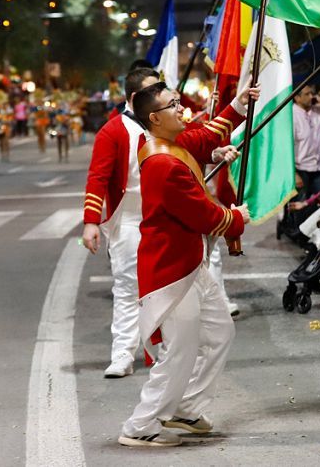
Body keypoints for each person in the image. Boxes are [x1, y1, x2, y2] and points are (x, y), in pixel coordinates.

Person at [117, 79, 256, 448]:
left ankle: (186, 407)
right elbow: (205, 215)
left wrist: (238, 105)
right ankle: (141, 425)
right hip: (171, 272)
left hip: (189, 264)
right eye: (172, 105)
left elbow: (204, 137)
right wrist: (236, 216)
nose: (181, 109)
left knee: (220, 333)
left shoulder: (169, 143)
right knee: (179, 351)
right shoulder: (163, 161)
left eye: (178, 101)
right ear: (154, 118)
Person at [81, 67, 159, 379]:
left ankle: (159, 353)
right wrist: (91, 222)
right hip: (129, 221)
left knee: (163, 290)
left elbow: (195, 143)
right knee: (127, 289)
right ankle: (123, 355)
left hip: (164, 220)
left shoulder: (164, 123)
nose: (162, 97)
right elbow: (97, 176)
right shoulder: (113, 131)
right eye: (155, 91)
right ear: (135, 98)